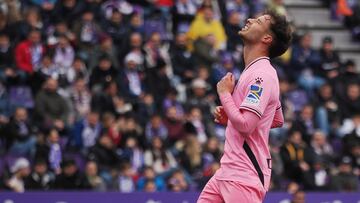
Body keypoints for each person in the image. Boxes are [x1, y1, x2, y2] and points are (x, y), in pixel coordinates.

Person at [197, 11, 292, 203]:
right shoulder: (257, 72)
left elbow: (247, 125)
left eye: (258, 21)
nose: (249, 19)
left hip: (244, 176)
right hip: (227, 172)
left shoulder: (261, 76)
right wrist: (232, 115)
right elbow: (276, 118)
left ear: (266, 38)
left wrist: (224, 94)